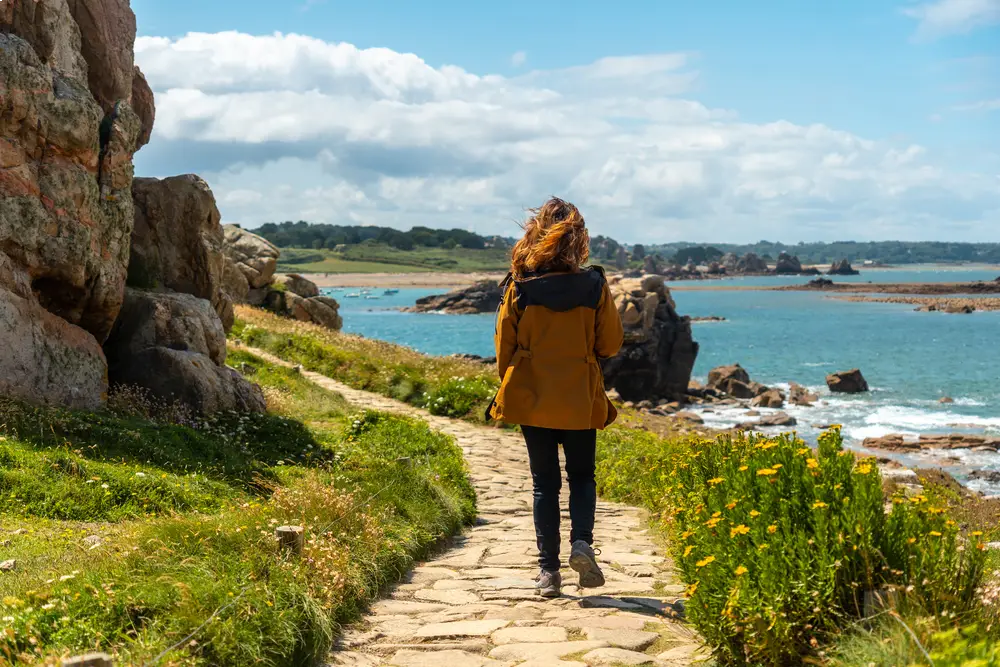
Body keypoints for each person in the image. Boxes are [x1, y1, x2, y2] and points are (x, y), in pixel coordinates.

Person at [487, 197, 624, 598]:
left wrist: (517, 384)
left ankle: (548, 573)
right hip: (580, 394)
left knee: (544, 484)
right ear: (578, 240)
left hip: (533, 394)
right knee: (582, 476)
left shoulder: (520, 286)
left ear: (535, 233)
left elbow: (503, 348)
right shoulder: (595, 285)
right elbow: (611, 344)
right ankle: (581, 542)